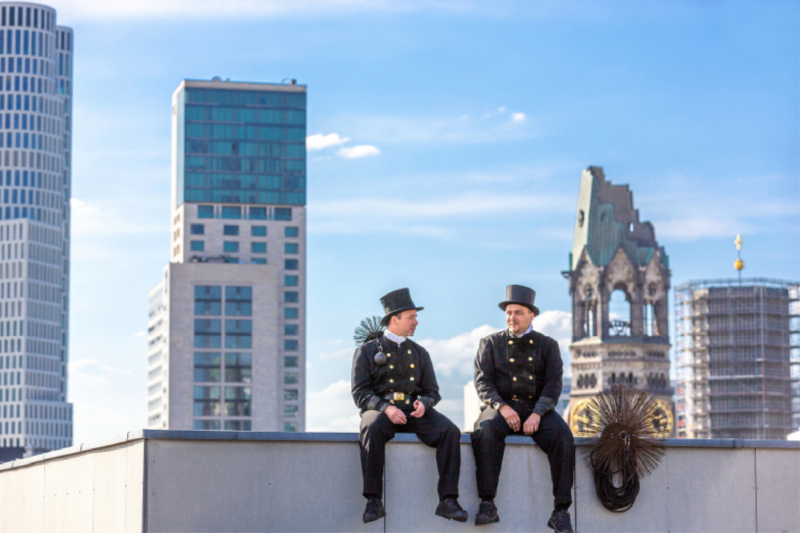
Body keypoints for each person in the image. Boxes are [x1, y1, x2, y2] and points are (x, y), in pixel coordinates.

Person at [351, 288, 468, 524]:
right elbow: (360, 393)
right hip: (382, 412)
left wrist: (424, 404)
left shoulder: (420, 353)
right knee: (371, 427)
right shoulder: (367, 351)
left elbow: (433, 391)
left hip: (414, 413)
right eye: (411, 316)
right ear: (395, 319)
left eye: (416, 316)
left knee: (450, 431)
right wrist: (385, 408)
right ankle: (373, 501)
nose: (416, 322)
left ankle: (448, 500)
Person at [470, 285, 575, 533]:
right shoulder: (490, 343)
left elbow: (553, 384)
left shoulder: (548, 345)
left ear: (531, 315)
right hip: (500, 407)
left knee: (562, 436)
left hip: (536, 408)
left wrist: (538, 413)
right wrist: (502, 407)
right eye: (508, 312)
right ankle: (487, 503)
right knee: (485, 431)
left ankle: (561, 511)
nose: (511, 317)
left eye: (517, 312)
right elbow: (482, 381)